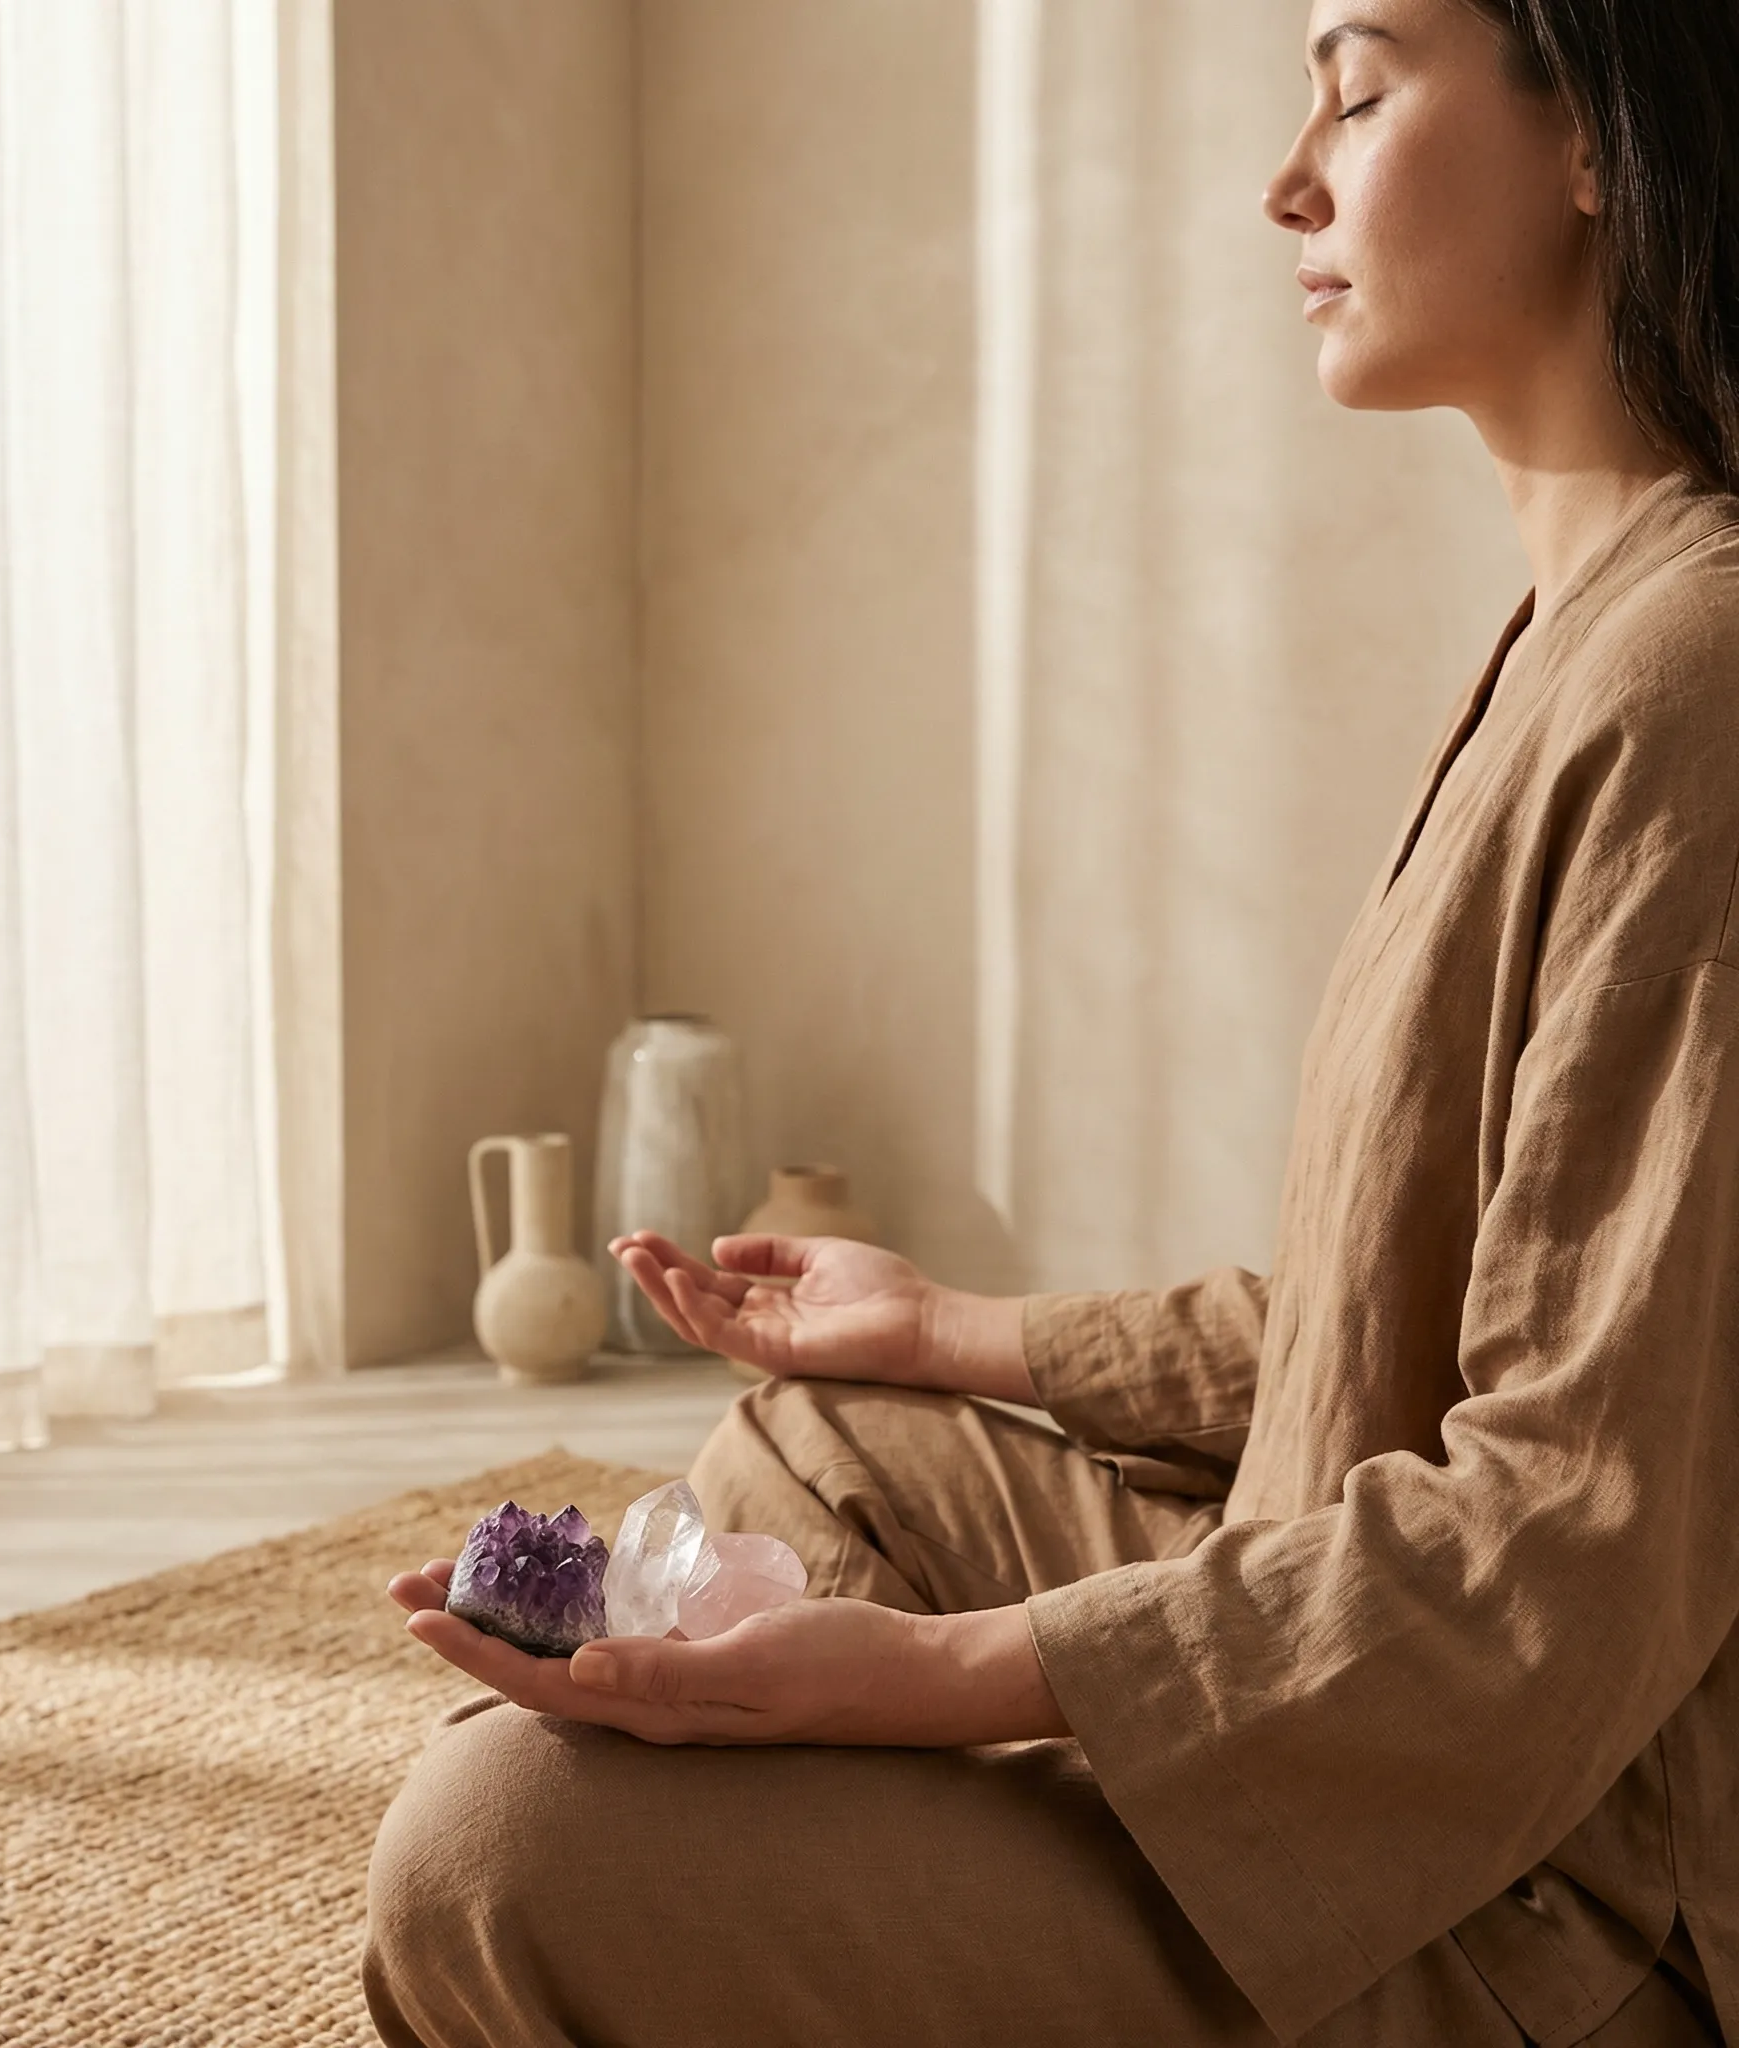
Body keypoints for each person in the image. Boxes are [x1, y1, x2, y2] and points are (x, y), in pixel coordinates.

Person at [365, 0, 1739, 2039]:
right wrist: (952, 1336)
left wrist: (950, 1675)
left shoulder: (1690, 680)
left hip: (1554, 1890)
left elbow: (1568, 1531)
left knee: (497, 1852)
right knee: (817, 1451)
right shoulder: (1575, 630)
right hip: (1391, 1666)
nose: (1288, 178)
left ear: (1598, 136)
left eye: (1355, 90)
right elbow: (1431, 1311)